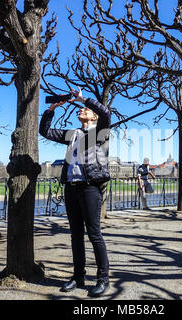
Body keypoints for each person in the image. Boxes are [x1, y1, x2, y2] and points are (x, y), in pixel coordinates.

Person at [39, 87, 110, 297]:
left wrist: (84, 98)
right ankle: (78, 276)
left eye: (85, 109)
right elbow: (45, 131)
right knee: (76, 235)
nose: (81, 110)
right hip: (71, 187)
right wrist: (51, 109)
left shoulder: (100, 131)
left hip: (90, 188)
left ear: (93, 115)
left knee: (94, 234)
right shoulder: (73, 134)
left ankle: (103, 279)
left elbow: (106, 113)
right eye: (81, 108)